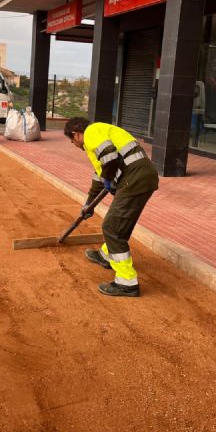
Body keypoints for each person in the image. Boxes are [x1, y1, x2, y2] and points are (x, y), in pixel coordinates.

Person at [64, 117, 159, 297]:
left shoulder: (92, 132)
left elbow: (110, 157)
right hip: (141, 177)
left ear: (76, 134)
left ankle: (127, 282)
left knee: (111, 226)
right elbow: (100, 176)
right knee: (119, 224)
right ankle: (107, 255)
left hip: (134, 178)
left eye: (71, 140)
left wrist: (109, 179)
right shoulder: (98, 138)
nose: (73, 144)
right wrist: (89, 204)